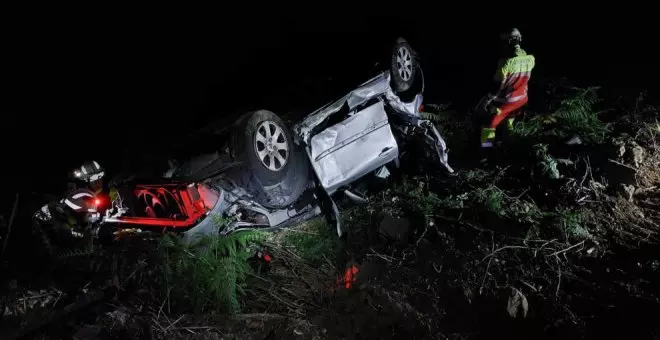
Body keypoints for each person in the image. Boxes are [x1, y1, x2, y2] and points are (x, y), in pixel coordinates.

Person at [480, 28, 536, 148]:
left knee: (488, 124)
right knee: (509, 120)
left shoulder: (505, 62)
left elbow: (498, 86)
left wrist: (487, 99)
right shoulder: (531, 59)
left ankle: (486, 151)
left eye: (503, 43)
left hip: (508, 101)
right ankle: (511, 144)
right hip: (522, 100)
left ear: (508, 42)